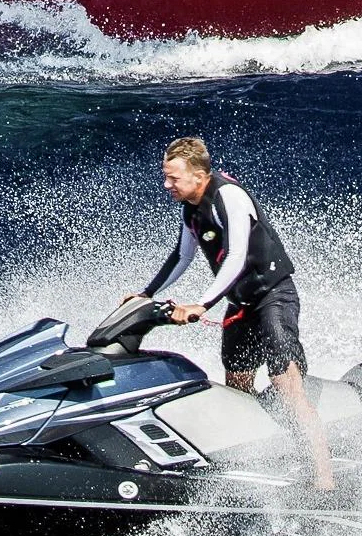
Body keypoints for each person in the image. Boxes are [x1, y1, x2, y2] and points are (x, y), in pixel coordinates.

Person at [131, 135, 334, 493]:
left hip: (273, 298)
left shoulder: (229, 196)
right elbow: (181, 256)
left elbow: (237, 256)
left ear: (197, 175)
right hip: (241, 306)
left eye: (173, 178)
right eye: (165, 177)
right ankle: (264, 462)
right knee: (237, 390)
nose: (166, 185)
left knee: (286, 386)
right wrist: (146, 294)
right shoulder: (191, 209)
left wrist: (201, 304)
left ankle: (324, 479)